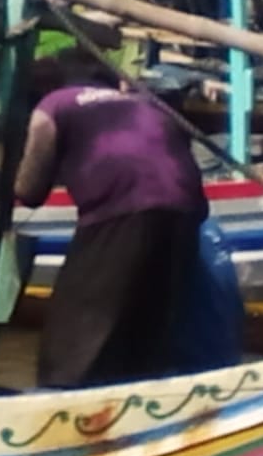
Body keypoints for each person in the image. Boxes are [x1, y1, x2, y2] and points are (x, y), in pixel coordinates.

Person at [14, 58, 210, 389]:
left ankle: (62, 400)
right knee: (149, 324)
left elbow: (29, 190)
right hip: (187, 207)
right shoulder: (146, 103)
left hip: (122, 208)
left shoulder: (54, 104)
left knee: (77, 330)